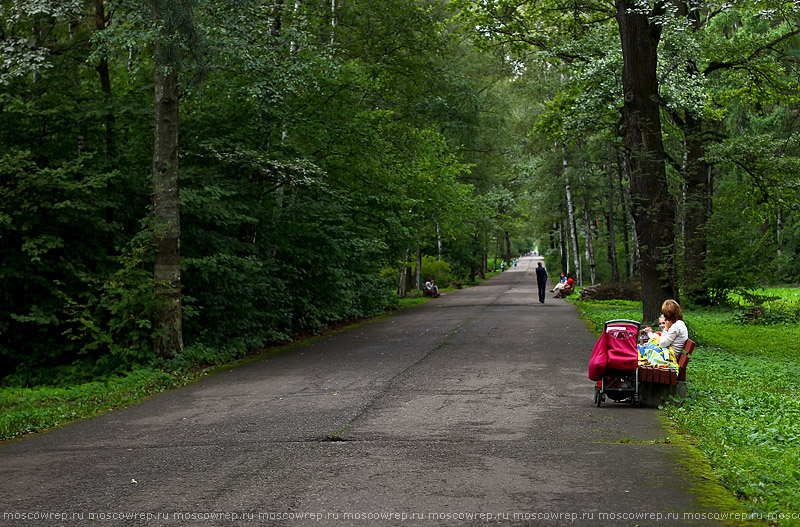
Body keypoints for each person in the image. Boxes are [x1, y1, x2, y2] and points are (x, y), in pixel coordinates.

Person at [638, 300, 687, 370]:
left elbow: (662, 343)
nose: (665, 316)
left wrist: (666, 329)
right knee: (642, 348)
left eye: (665, 314)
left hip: (668, 357)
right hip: (667, 353)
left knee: (641, 350)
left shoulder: (676, 327)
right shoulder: (678, 324)